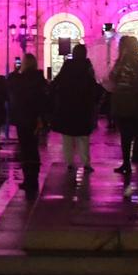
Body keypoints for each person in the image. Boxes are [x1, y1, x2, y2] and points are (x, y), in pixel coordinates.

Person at [51, 42, 102, 175]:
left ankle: (69, 162)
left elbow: (58, 81)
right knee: (83, 137)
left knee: (67, 137)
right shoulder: (87, 66)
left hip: (67, 105)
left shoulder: (68, 65)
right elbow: (93, 85)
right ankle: (86, 163)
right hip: (83, 106)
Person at [7, 53, 49, 194]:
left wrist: (15, 69)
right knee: (33, 148)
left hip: (22, 118)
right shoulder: (39, 79)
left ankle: (27, 179)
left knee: (25, 149)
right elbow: (44, 100)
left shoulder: (19, 79)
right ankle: (34, 179)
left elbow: (10, 84)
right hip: (35, 119)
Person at [107, 37, 138, 174]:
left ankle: (127, 163)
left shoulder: (125, 61)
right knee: (136, 132)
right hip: (136, 100)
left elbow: (114, 76)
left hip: (124, 101)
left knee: (125, 135)